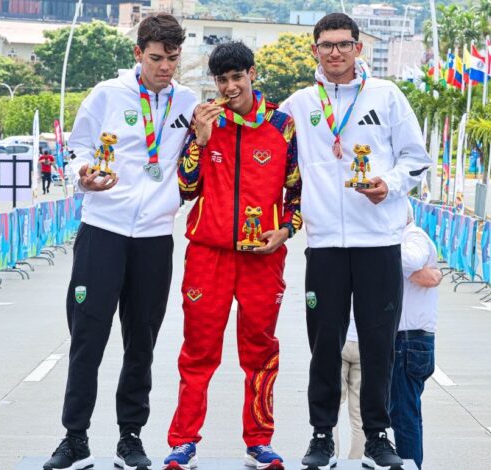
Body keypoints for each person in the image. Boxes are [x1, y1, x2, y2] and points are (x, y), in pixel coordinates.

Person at [43, 13, 198, 470]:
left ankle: (131, 436)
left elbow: (195, 158)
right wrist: (83, 174)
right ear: (138, 54)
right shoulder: (107, 95)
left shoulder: (187, 102)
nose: (165, 67)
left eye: (172, 59)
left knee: (142, 341)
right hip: (104, 231)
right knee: (88, 337)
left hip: (154, 237)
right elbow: (77, 147)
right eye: (156, 58)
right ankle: (75, 437)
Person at [279, 12, 432, 470]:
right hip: (324, 242)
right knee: (324, 342)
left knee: (378, 342)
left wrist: (388, 183)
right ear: (314, 50)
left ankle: (378, 437)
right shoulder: (298, 104)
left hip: (377, 240)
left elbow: (416, 158)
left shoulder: (386, 96)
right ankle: (321, 435)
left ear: (359, 48)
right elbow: (275, 164)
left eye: (344, 44)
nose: (335, 53)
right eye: (326, 45)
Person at [163, 41, 302, 470]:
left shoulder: (283, 126)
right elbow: (186, 189)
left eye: (236, 77)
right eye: (221, 80)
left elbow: (297, 194)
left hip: (263, 257)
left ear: (252, 74)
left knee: (260, 351)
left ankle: (259, 440)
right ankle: (183, 442)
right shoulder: (206, 122)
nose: (229, 87)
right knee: (198, 351)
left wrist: (285, 231)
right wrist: (200, 141)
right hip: (208, 253)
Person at [389, 202, 442, 470]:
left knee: (404, 415)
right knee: (403, 412)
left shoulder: (414, 237)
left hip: (410, 340)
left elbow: (410, 260)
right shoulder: (409, 239)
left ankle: (411, 465)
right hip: (407, 340)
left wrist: (382, 247)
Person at [333, 310, 365, 461]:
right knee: (359, 412)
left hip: (340, 338)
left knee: (332, 407)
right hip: (363, 341)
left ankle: (331, 455)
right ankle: (355, 461)